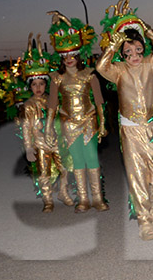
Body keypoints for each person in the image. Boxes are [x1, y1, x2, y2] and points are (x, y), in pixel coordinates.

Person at [97, 0, 153, 240]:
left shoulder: (151, 64)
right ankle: (144, 221)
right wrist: (114, 43)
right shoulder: (117, 70)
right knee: (137, 176)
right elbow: (100, 67)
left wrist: (145, 28)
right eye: (127, 52)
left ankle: (152, 208)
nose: (134, 55)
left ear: (142, 49)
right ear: (122, 54)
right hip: (130, 131)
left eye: (137, 50)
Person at [45, 12, 108, 213]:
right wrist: (48, 128)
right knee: (78, 160)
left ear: (79, 54)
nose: (69, 59)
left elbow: (99, 101)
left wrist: (103, 123)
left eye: (73, 55)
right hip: (68, 123)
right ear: (61, 58)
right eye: (65, 56)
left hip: (89, 121)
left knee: (92, 158)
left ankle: (97, 198)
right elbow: (52, 105)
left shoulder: (89, 75)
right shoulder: (57, 79)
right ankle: (83, 199)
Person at [20, 34, 74, 213]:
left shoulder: (52, 100)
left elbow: (61, 119)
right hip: (40, 143)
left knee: (66, 167)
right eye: (34, 84)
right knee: (44, 173)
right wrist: (28, 148)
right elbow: (26, 128)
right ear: (30, 86)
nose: (38, 88)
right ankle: (47, 199)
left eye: (41, 84)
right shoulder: (28, 105)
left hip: (57, 140)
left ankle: (63, 192)